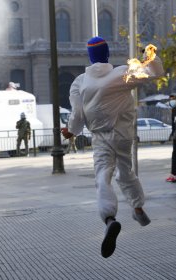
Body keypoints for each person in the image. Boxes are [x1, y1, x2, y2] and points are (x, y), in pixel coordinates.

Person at [61, 36, 164, 258]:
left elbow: (77, 115)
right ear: (107, 55)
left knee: (102, 177)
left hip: (100, 137)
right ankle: (137, 208)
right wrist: (149, 57)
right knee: (126, 171)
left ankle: (109, 219)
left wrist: (71, 130)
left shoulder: (79, 82)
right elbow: (154, 72)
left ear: (90, 57)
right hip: (123, 135)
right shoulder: (121, 74)